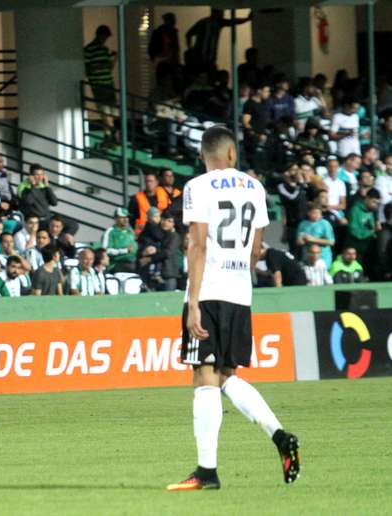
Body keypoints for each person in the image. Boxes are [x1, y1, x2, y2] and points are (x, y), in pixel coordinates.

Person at [168, 126, 299, 491]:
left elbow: (197, 246)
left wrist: (193, 303)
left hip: (208, 290)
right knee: (226, 375)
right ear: (232, 155)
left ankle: (206, 472)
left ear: (203, 157)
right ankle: (279, 435)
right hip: (240, 293)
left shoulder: (197, 186)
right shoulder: (255, 187)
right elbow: (257, 248)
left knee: (204, 378)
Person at [184, 9, 252, 72]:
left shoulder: (217, 22)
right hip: (200, 58)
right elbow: (188, 34)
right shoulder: (205, 23)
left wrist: (246, 19)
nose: (223, 14)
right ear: (216, 12)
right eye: (222, 12)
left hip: (210, 59)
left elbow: (233, 21)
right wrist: (191, 50)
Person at [84, 25, 117, 146]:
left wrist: (114, 58)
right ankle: (111, 134)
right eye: (105, 37)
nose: (105, 40)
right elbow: (87, 69)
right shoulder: (88, 50)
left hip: (108, 82)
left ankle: (109, 135)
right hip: (98, 84)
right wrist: (101, 65)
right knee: (104, 110)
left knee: (110, 111)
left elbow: (109, 68)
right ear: (100, 35)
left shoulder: (104, 49)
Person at [102, 207, 138, 273]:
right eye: (122, 217)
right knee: (136, 270)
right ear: (115, 218)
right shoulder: (110, 232)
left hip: (134, 261)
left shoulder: (130, 231)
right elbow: (105, 251)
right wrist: (125, 250)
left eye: (127, 217)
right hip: (116, 264)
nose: (126, 220)